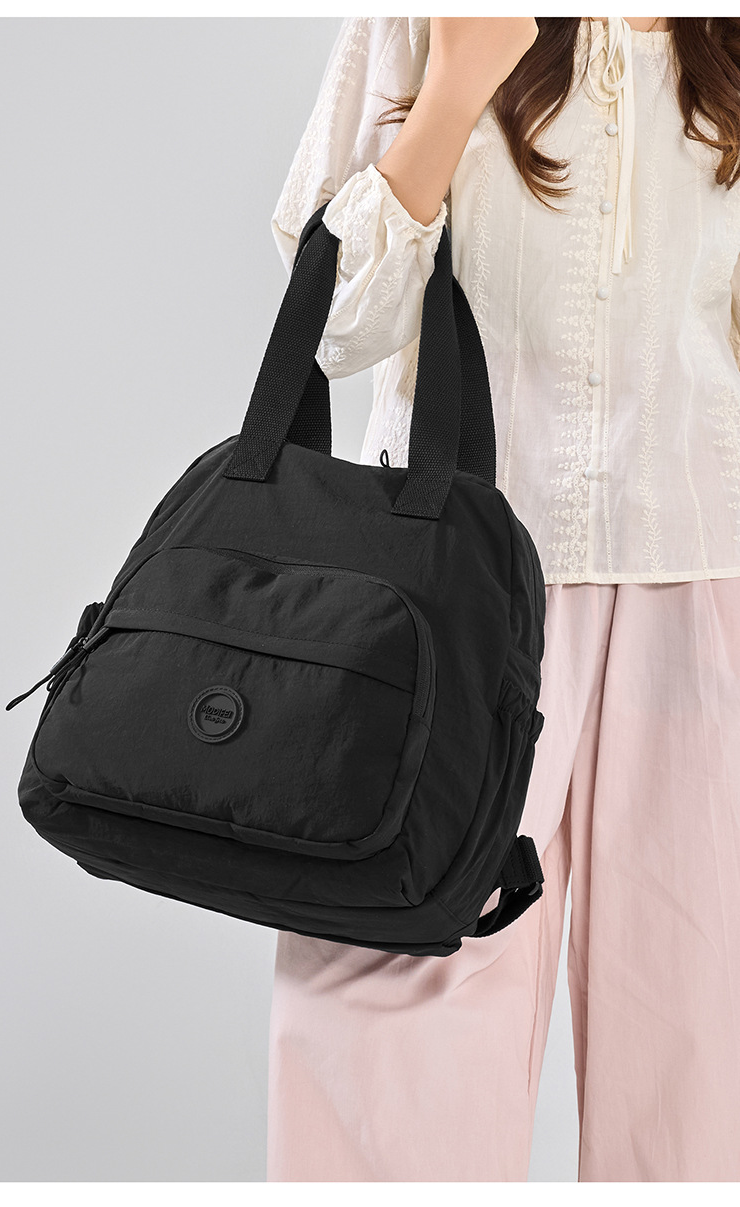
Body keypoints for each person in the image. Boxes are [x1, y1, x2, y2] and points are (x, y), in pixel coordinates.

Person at [265, 16, 740, 1182]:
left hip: (707, 583)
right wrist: (455, 85)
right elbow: (334, 322)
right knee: (394, 1042)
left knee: (705, 1069)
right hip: (449, 596)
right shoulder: (429, 17)